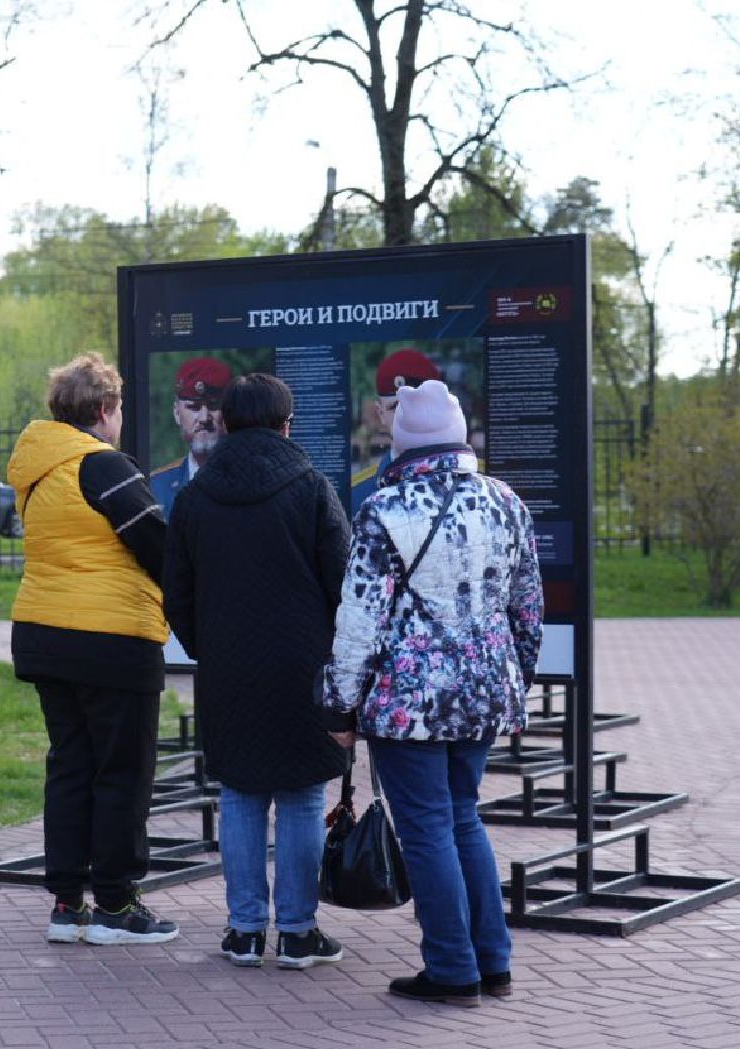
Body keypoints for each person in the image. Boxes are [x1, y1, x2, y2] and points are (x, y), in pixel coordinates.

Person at [323, 379, 544, 1007]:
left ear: (402, 443)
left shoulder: (385, 510)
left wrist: (340, 703)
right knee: (463, 816)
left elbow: (359, 621)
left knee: (425, 828)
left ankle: (451, 969)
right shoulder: (505, 502)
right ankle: (493, 961)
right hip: (484, 692)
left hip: (409, 701)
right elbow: (528, 608)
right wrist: (514, 679)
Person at [162, 373, 355, 970]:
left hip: (228, 668)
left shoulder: (195, 497)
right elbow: (344, 582)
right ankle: (297, 932)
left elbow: (176, 591)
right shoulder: (311, 488)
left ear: (226, 422)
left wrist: (208, 646)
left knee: (241, 794)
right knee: (302, 796)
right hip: (304, 667)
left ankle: (244, 930)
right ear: (286, 424)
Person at [7, 351, 180, 947]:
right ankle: (116, 903)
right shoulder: (103, 466)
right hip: (112, 640)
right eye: (120, 407)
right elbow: (156, 543)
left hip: (44, 635)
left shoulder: (38, 470)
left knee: (71, 767)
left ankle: (67, 902)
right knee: (122, 773)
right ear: (106, 409)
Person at [348, 348, 443, 513]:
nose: (405, 416)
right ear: (381, 414)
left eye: (415, 404)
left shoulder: (478, 487)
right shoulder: (356, 497)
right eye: (394, 407)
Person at [149, 356, 232, 511]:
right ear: (177, 413)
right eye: (194, 407)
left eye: (213, 406)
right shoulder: (156, 487)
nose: (204, 418)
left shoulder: (251, 479)